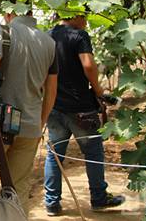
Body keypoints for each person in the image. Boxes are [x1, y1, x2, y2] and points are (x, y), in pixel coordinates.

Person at [0, 6, 58, 219]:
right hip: (30, 126)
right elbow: (51, 90)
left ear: (9, 13)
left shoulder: (2, 31)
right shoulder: (49, 42)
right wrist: (40, 123)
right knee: (17, 188)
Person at [43, 13, 125, 216]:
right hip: (81, 108)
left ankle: (52, 203)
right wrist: (99, 91)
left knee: (55, 155)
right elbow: (88, 64)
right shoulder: (79, 35)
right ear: (75, 15)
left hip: (54, 106)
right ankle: (98, 198)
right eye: (85, 16)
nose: (86, 21)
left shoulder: (45, 36)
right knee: (94, 153)